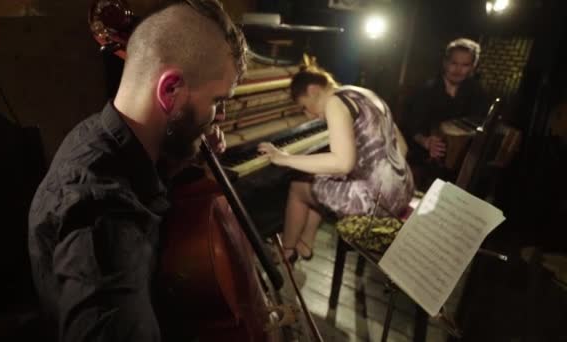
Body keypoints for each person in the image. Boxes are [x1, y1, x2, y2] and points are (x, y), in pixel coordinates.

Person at [28, 1, 247, 341]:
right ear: (169, 90)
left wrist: (183, 155)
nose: (219, 117)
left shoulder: (99, 132)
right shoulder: (105, 222)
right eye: (218, 101)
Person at [258, 66, 414, 262]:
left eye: (304, 107)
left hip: (376, 205)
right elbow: (402, 147)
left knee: (297, 188)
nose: (308, 115)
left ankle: (286, 251)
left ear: (313, 90)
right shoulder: (363, 93)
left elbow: (342, 163)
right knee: (321, 179)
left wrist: (283, 157)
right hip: (402, 190)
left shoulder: (334, 101)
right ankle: (305, 243)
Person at [402, 37, 489, 189]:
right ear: (445, 62)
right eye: (454, 63)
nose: (458, 70)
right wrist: (426, 141)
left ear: (473, 67)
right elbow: (410, 124)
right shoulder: (425, 90)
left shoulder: (477, 93)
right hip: (422, 163)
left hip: (460, 170)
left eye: (465, 65)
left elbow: (480, 125)